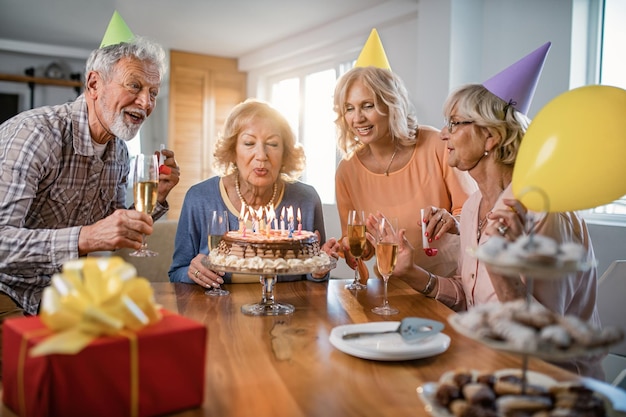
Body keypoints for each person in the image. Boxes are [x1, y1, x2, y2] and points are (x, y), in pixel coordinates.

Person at [387, 44, 605, 378]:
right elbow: (470, 298)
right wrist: (412, 272)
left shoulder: (547, 212)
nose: (443, 134)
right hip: (487, 366)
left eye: (455, 123)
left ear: (489, 137)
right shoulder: (474, 205)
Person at [0, 34, 180, 376]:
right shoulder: (35, 136)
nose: (145, 102)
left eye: (153, 92)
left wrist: (156, 199)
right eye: (135, 85)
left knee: (145, 356)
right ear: (94, 83)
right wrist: (83, 238)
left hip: (63, 297)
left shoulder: (118, 153)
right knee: (52, 377)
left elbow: (110, 229)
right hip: (8, 293)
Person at [169, 99, 339, 287]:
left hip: (286, 312)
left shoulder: (306, 199)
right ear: (232, 150)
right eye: (249, 143)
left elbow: (314, 278)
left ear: (285, 153)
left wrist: (319, 271)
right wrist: (192, 272)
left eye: (273, 144)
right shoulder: (200, 199)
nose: (261, 155)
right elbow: (177, 272)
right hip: (219, 312)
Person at [333, 66, 477, 278]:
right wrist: (351, 247)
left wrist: (451, 220)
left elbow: (473, 213)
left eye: (367, 106)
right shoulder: (347, 171)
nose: (357, 118)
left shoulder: (437, 145)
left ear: (392, 105)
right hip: (391, 288)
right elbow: (360, 246)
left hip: (450, 284)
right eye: (349, 108)